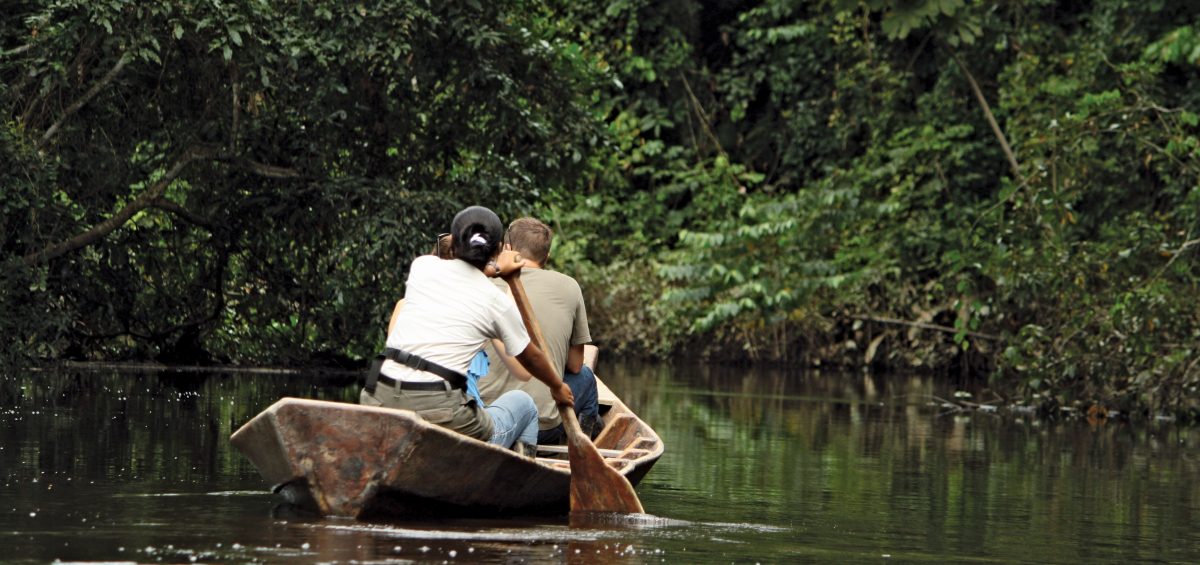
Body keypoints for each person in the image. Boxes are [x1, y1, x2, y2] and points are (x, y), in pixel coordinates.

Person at [360, 206, 573, 457]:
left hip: (377, 396)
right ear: (497, 250)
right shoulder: (496, 300)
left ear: (455, 242)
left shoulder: (422, 266)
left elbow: (460, 265)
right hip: (441, 411)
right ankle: (516, 480)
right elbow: (530, 360)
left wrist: (492, 266)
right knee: (524, 404)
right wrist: (557, 386)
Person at [478, 217, 602, 445]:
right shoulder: (569, 286)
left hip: (484, 420)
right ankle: (579, 448)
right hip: (544, 427)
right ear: (546, 256)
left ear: (507, 249)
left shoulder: (481, 284)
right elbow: (575, 365)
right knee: (585, 376)